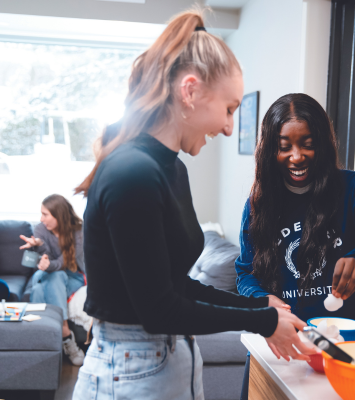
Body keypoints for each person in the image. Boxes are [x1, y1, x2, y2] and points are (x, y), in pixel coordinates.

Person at [72, 10, 317, 400]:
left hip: (168, 360)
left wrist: (254, 304)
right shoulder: (132, 173)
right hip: (131, 371)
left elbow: (176, 286)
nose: (228, 127)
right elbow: (159, 309)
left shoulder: (171, 170)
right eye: (229, 108)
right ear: (190, 92)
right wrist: (263, 320)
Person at [235, 93, 355, 398]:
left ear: (322, 143)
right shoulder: (259, 204)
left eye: (307, 144)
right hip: (280, 345)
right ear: (271, 150)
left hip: (343, 351)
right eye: (284, 147)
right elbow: (245, 273)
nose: (296, 156)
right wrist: (263, 300)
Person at [20, 194, 86, 366]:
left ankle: (41, 347)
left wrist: (47, 265)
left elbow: (61, 264)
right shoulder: (41, 230)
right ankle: (66, 334)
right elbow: (37, 262)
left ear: (59, 215)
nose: (41, 219)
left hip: (73, 275)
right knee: (55, 276)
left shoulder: (79, 231)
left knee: (40, 289)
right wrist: (36, 247)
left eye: (45, 214)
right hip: (46, 274)